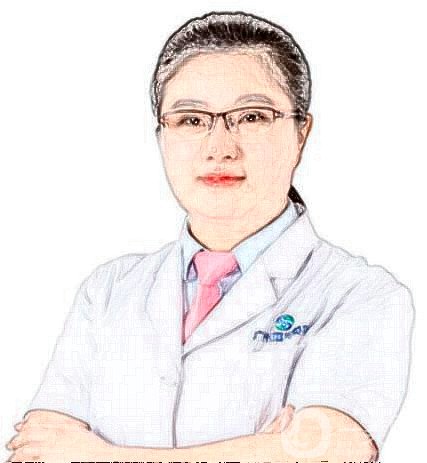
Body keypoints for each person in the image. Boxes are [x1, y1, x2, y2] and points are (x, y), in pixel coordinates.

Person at [6, 10, 414, 463]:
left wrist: (97, 454)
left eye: (252, 116)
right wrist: (266, 448)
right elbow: (38, 451)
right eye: (191, 120)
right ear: (161, 136)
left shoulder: (360, 295)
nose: (220, 147)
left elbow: (327, 452)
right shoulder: (108, 292)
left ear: (302, 133)